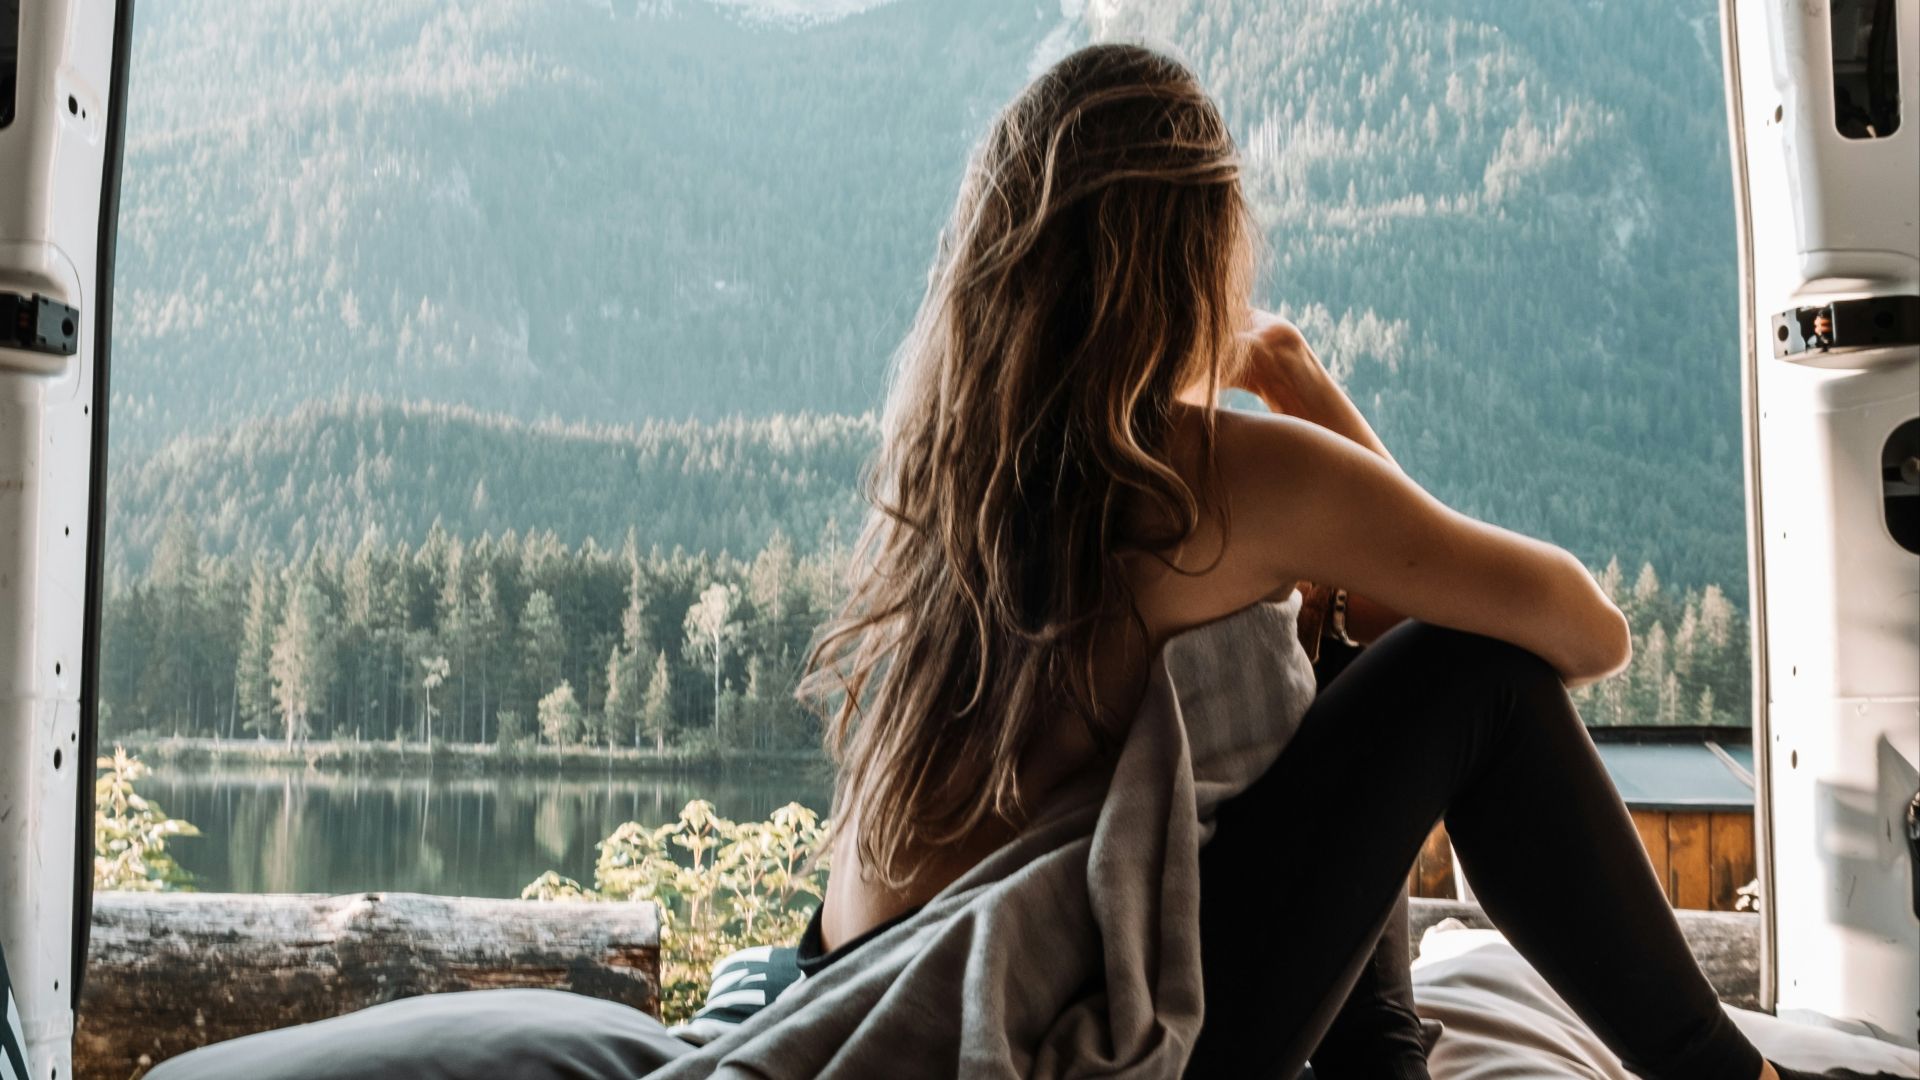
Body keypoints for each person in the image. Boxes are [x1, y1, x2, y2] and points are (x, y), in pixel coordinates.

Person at [151, 43, 1892, 1080]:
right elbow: (1575, 633)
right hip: (1079, 1052)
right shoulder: (1197, 465)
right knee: (1451, 673)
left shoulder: (952, 491)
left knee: (1342, 671)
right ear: (1190, 252)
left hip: (857, 992)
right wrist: (1314, 397)